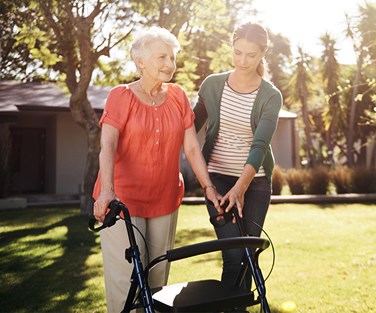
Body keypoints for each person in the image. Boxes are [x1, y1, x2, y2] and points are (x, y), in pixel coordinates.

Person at [92, 26, 221, 313]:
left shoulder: (177, 96)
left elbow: (190, 148)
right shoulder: (120, 96)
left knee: (158, 281)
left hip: (164, 198)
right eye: (162, 57)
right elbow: (108, 145)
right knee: (126, 281)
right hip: (121, 200)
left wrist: (209, 187)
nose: (169, 64)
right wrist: (107, 192)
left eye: (172, 58)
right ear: (140, 62)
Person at [193, 21, 283, 299]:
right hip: (216, 180)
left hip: (254, 183)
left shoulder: (270, 96)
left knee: (249, 255)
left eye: (251, 55)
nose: (243, 61)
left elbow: (260, 145)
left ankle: (237, 306)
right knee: (233, 255)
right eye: (237, 52)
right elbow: (188, 127)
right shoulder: (212, 85)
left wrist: (241, 187)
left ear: (263, 54)